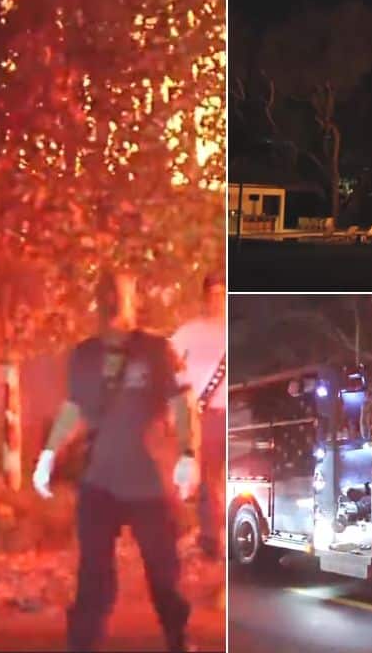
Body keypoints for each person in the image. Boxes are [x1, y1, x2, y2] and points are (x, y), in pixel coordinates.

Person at [32, 269, 200, 653]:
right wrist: (48, 454)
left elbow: (182, 403)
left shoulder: (156, 351)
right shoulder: (84, 355)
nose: (111, 303)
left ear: (133, 301)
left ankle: (178, 637)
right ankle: (82, 643)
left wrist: (188, 453)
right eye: (105, 295)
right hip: (99, 481)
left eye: (119, 295)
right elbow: (73, 408)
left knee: (163, 573)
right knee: (93, 575)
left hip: (148, 482)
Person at [169, 270, 226, 567]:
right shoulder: (189, 333)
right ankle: (211, 542)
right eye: (213, 295)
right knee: (207, 482)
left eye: (223, 294)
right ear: (205, 298)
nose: (218, 300)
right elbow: (165, 361)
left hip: (238, 414)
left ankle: (230, 539)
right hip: (206, 416)